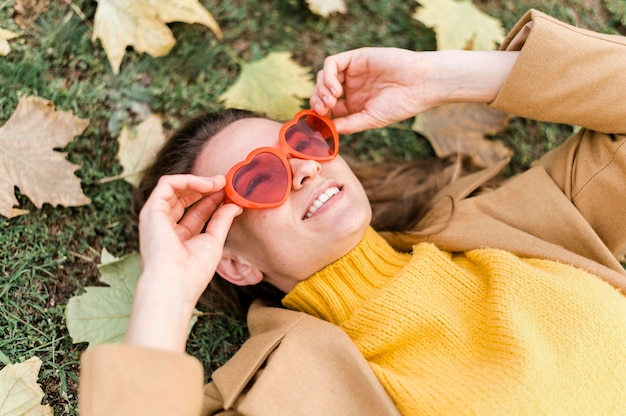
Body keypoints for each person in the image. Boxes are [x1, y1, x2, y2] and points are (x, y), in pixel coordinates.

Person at [79, 9, 626, 416]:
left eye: (302, 141)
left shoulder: (520, 230)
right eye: (259, 178)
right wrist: (166, 290)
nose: (304, 170)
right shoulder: (284, 393)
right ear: (235, 263)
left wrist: (448, 80)